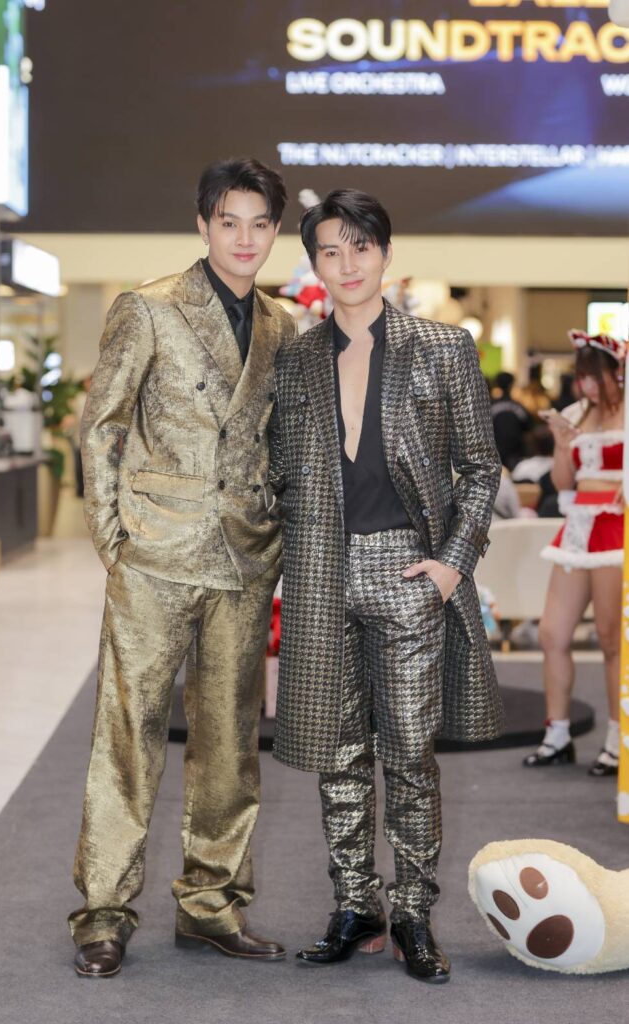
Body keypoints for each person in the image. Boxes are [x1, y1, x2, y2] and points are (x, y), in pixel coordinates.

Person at [69, 157, 297, 978]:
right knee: (127, 736)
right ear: (203, 225)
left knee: (230, 744)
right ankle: (102, 911)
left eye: (259, 224)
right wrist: (113, 542)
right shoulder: (150, 307)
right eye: (228, 222)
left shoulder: (283, 326)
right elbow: (101, 426)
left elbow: (281, 443)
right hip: (155, 554)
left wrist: (277, 529)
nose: (244, 238)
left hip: (244, 556)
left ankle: (211, 903)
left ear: (275, 231)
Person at [268, 190, 503, 983]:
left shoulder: (441, 347)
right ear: (313, 263)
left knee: (407, 754)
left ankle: (412, 913)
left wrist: (451, 563)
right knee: (337, 757)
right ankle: (355, 905)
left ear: (385, 253)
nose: (347, 264)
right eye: (329, 251)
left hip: (408, 570)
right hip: (318, 572)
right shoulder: (295, 357)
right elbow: (278, 472)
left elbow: (480, 468)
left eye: (360, 247)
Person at [524, 331, 626, 776]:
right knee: (552, 633)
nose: (586, 386)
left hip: (617, 526)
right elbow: (563, 483)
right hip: (578, 524)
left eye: (594, 376)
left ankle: (617, 740)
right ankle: (558, 734)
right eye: (581, 377)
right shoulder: (574, 413)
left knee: (610, 639)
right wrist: (563, 445)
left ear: (616, 374)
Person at [490, 371, 531, 470]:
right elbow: (528, 427)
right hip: (516, 453)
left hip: (495, 452)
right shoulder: (518, 407)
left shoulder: (490, 407)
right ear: (512, 385)